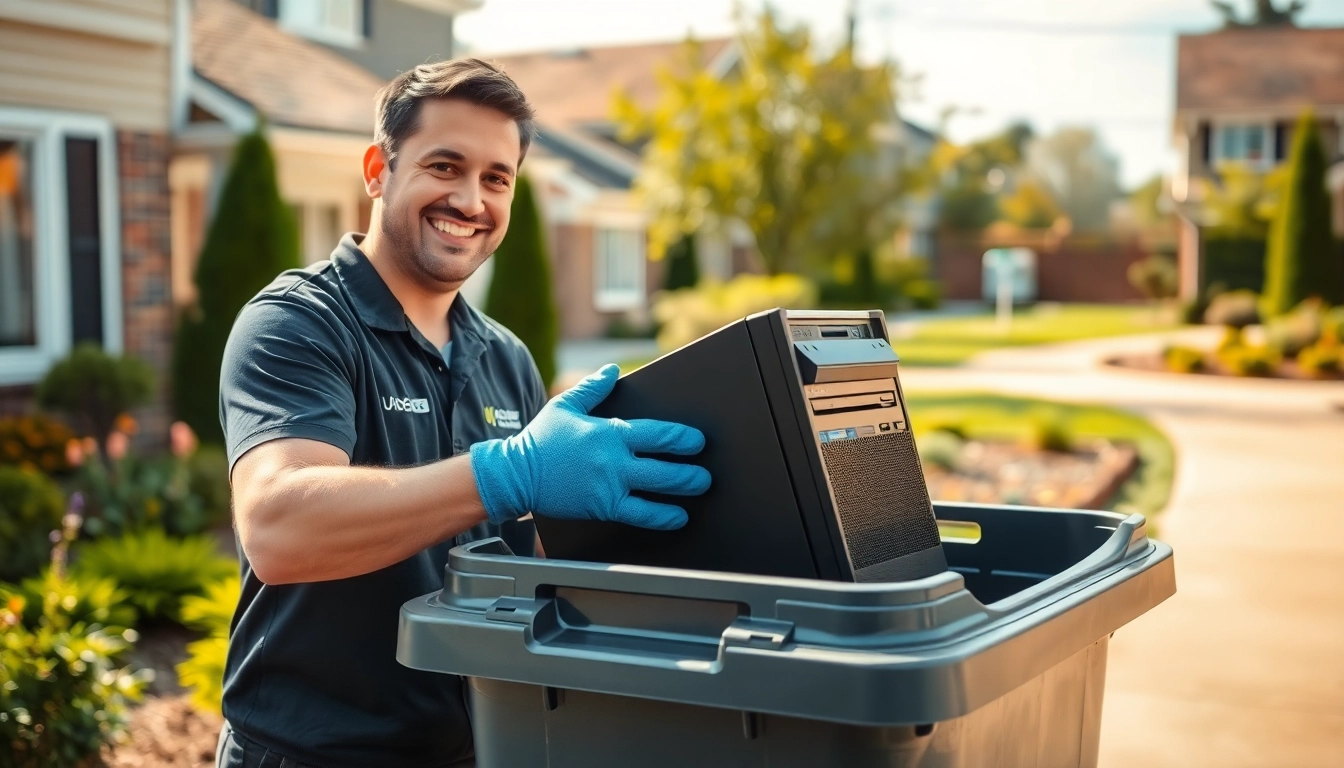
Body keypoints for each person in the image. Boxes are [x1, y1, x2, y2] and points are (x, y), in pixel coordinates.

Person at [215, 58, 711, 768]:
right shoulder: (298, 324)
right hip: (310, 751)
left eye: (496, 178)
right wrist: (505, 473)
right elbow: (279, 529)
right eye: (444, 166)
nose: (471, 200)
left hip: (478, 746)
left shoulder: (505, 357)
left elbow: (529, 561)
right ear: (377, 171)